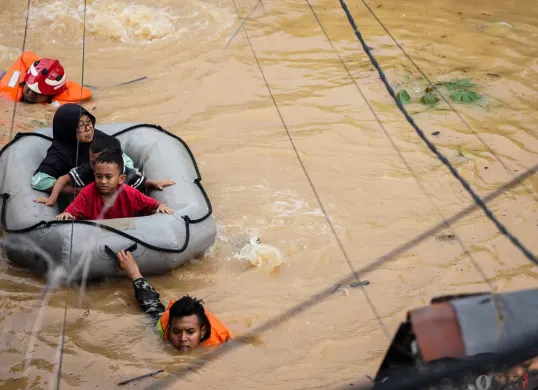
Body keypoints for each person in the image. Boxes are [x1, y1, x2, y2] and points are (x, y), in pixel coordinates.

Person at [116, 249, 232, 351]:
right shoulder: (163, 327)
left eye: (190, 332)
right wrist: (133, 273)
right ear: (170, 329)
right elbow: (151, 302)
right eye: (176, 331)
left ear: (202, 332)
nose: (182, 339)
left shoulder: (220, 344)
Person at [34, 134, 175, 207]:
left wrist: (154, 183)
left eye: (100, 162)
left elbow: (142, 183)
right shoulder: (87, 170)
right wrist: (52, 199)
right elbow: (63, 179)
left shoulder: (127, 174)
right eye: (92, 162)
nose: (95, 167)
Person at [31, 103, 134, 194]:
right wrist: (78, 190)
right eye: (81, 125)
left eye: (89, 122)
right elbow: (39, 181)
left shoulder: (100, 139)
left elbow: (125, 160)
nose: (88, 128)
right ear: (68, 129)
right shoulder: (60, 152)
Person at [55, 151, 173, 220]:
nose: (103, 181)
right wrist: (66, 214)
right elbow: (71, 211)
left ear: (121, 179)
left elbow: (154, 204)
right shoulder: (87, 192)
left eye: (108, 177)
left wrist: (161, 205)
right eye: (99, 176)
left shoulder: (130, 193)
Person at [0, 52, 91, 105]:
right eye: (30, 87)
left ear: (51, 95)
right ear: (25, 80)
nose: (31, 93)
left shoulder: (59, 93)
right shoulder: (3, 77)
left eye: (38, 92)